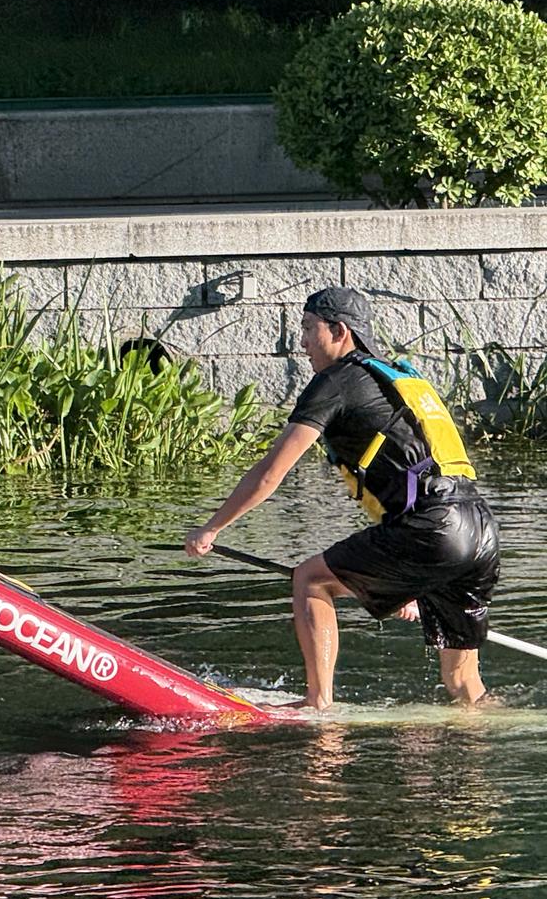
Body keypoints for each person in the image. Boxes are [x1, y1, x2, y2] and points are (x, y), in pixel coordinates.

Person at [183, 287, 499, 710]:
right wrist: (411, 580)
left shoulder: (335, 381)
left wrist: (212, 527)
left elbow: (271, 471)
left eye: (309, 329)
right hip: (479, 528)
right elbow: (412, 477)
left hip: (433, 528)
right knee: (464, 685)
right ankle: (490, 728)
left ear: (339, 331)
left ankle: (319, 707)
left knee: (310, 579)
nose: (303, 342)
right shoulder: (397, 376)